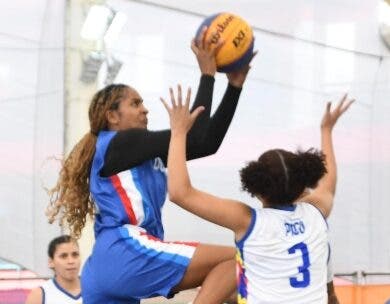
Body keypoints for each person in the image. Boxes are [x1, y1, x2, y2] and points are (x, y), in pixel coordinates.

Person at [47, 27, 254, 304]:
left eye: (143, 102)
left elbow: (205, 143)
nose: (145, 109)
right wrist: (207, 75)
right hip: (128, 251)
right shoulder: (118, 143)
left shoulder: (138, 152)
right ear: (112, 116)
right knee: (236, 257)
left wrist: (234, 87)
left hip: (106, 265)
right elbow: (195, 135)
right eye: (135, 103)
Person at [163, 92, 354, 303]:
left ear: (256, 188)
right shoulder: (317, 211)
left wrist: (178, 132)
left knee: (226, 277)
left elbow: (180, 193)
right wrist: (326, 130)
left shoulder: (247, 221)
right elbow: (329, 181)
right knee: (232, 287)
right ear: (302, 185)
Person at [25, 235, 82, 304]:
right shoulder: (40, 295)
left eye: (75, 255)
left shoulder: (95, 288)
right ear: (51, 262)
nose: (71, 261)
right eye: (63, 256)